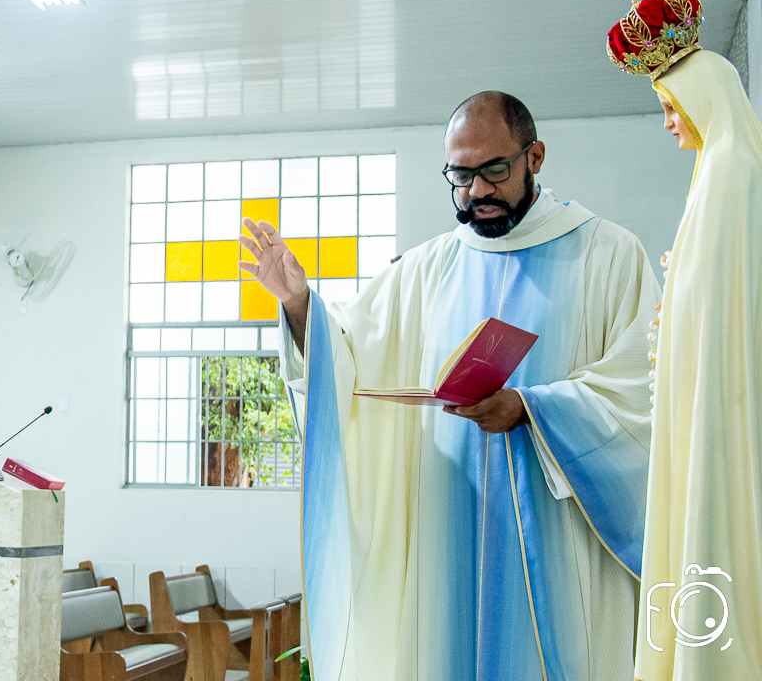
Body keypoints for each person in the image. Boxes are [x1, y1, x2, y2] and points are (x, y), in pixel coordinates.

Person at [241, 91, 658, 679]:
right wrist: (299, 303)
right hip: (447, 539)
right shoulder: (426, 269)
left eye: (494, 170)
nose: (477, 192)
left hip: (561, 543)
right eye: (460, 177)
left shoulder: (609, 254)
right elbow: (350, 360)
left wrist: (532, 409)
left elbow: (643, 387)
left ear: (535, 156)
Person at [608, 0, 762, 677]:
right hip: (702, 398)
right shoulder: (715, 175)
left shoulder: (733, 173)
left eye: (673, 109)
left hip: (722, 408)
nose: (669, 123)